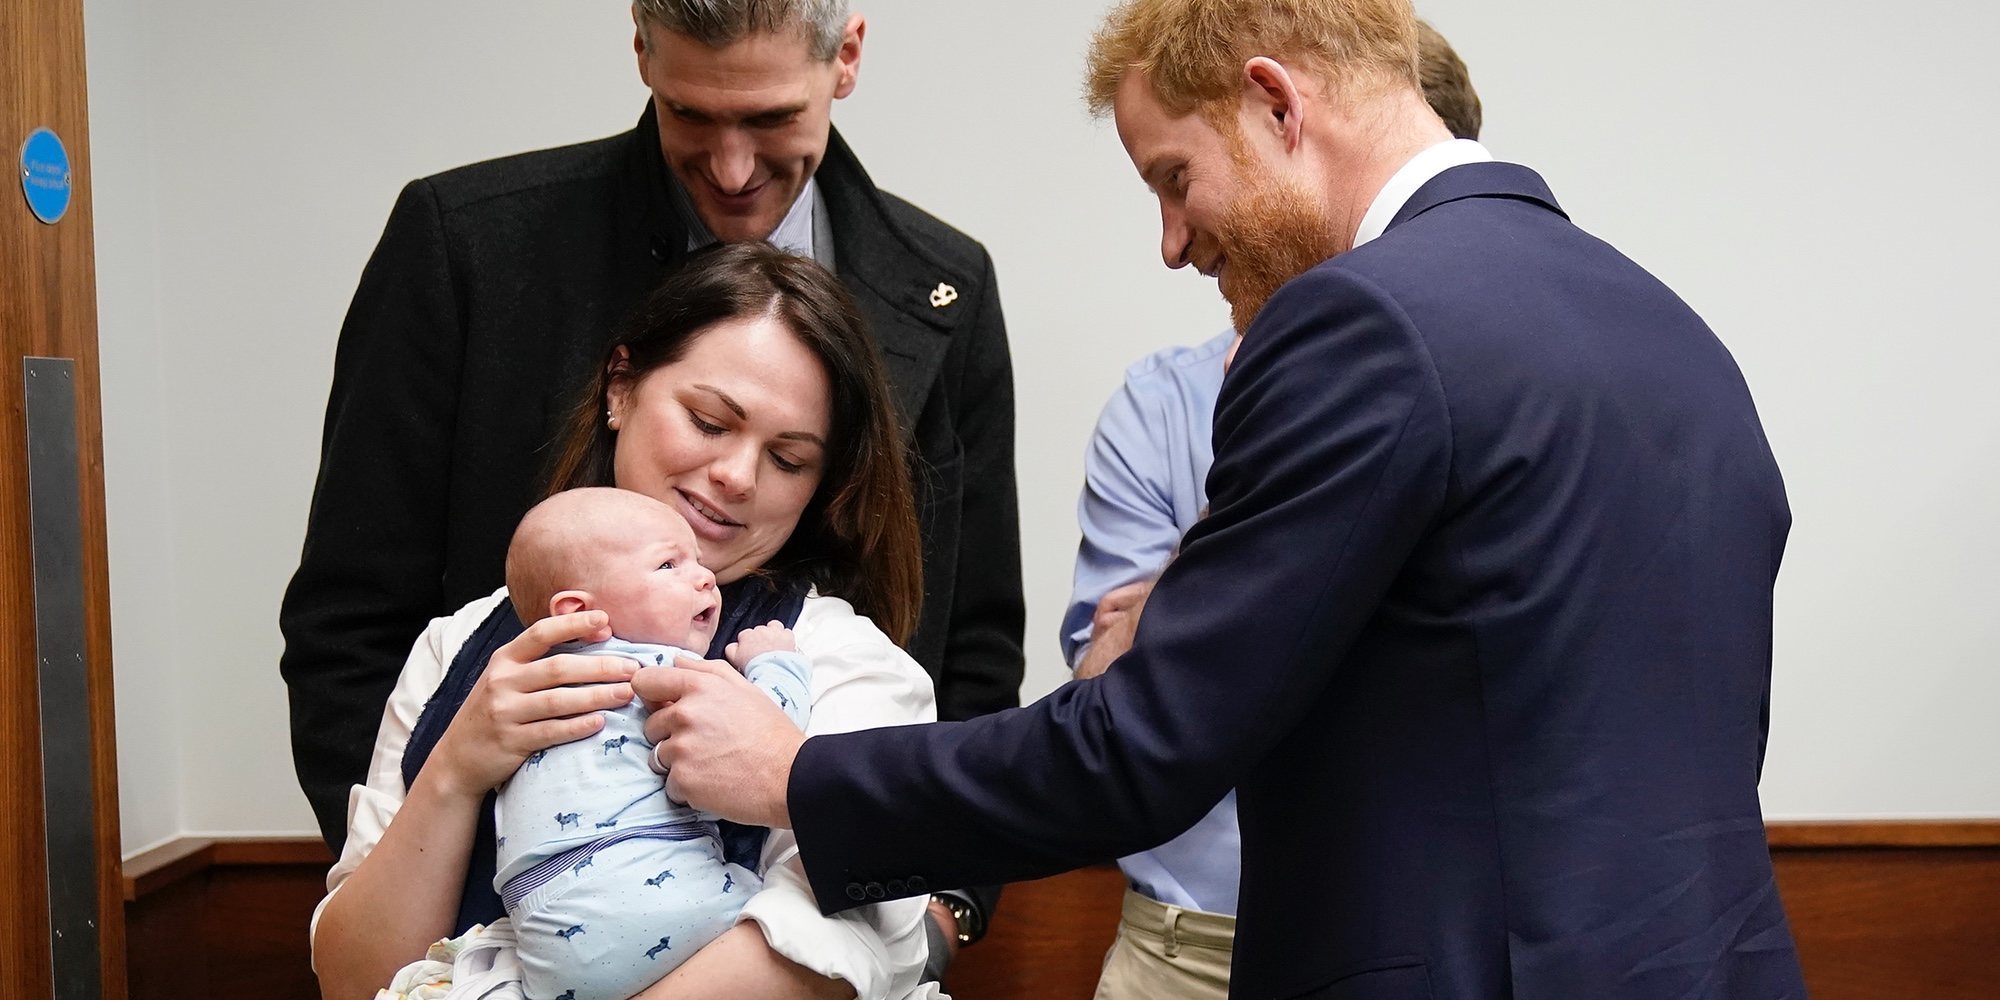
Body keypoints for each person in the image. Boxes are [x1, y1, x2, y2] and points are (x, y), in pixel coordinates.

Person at [642, 1, 1811, 998]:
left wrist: (796, 771)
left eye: (1172, 177)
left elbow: (1143, 750)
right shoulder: (1669, 329)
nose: (1171, 241)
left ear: (1274, 103)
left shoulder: (1360, 320)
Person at [279, 0, 1023, 965]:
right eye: (692, 116)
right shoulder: (471, 245)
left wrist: (937, 909)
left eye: (767, 121)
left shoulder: (940, 289)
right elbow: (349, 619)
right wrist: (441, 852)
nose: (731, 167)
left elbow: (976, 636)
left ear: (845, 59)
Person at [311, 243, 941, 1000]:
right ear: (620, 386)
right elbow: (352, 980)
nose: (737, 477)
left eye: (788, 459)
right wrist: (455, 769)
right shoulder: (459, 646)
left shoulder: (839, 661)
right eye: (709, 422)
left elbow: (834, 952)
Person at [1063, 23, 1484, 996]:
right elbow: (1110, 694)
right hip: (1179, 948)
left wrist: (1181, 598)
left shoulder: (1479, 387)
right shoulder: (1159, 404)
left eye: (1175, 180)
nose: (1170, 246)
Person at [495, 487, 813, 999]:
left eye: (696, 560)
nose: (704, 576)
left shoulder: (528, 695)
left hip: (545, 945)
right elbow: (767, 739)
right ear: (580, 612)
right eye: (668, 565)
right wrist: (776, 662)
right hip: (655, 901)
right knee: (820, 914)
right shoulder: (650, 672)